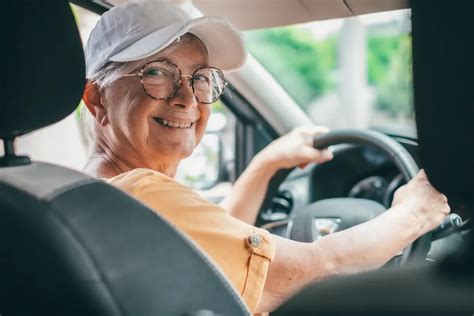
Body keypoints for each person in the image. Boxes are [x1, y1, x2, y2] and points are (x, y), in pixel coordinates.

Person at [81, 1, 450, 313]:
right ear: (97, 100)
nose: (188, 98)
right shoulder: (143, 196)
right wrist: (414, 213)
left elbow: (212, 251)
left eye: (202, 77)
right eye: (158, 73)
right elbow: (321, 266)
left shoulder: (93, 195)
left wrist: (266, 164)